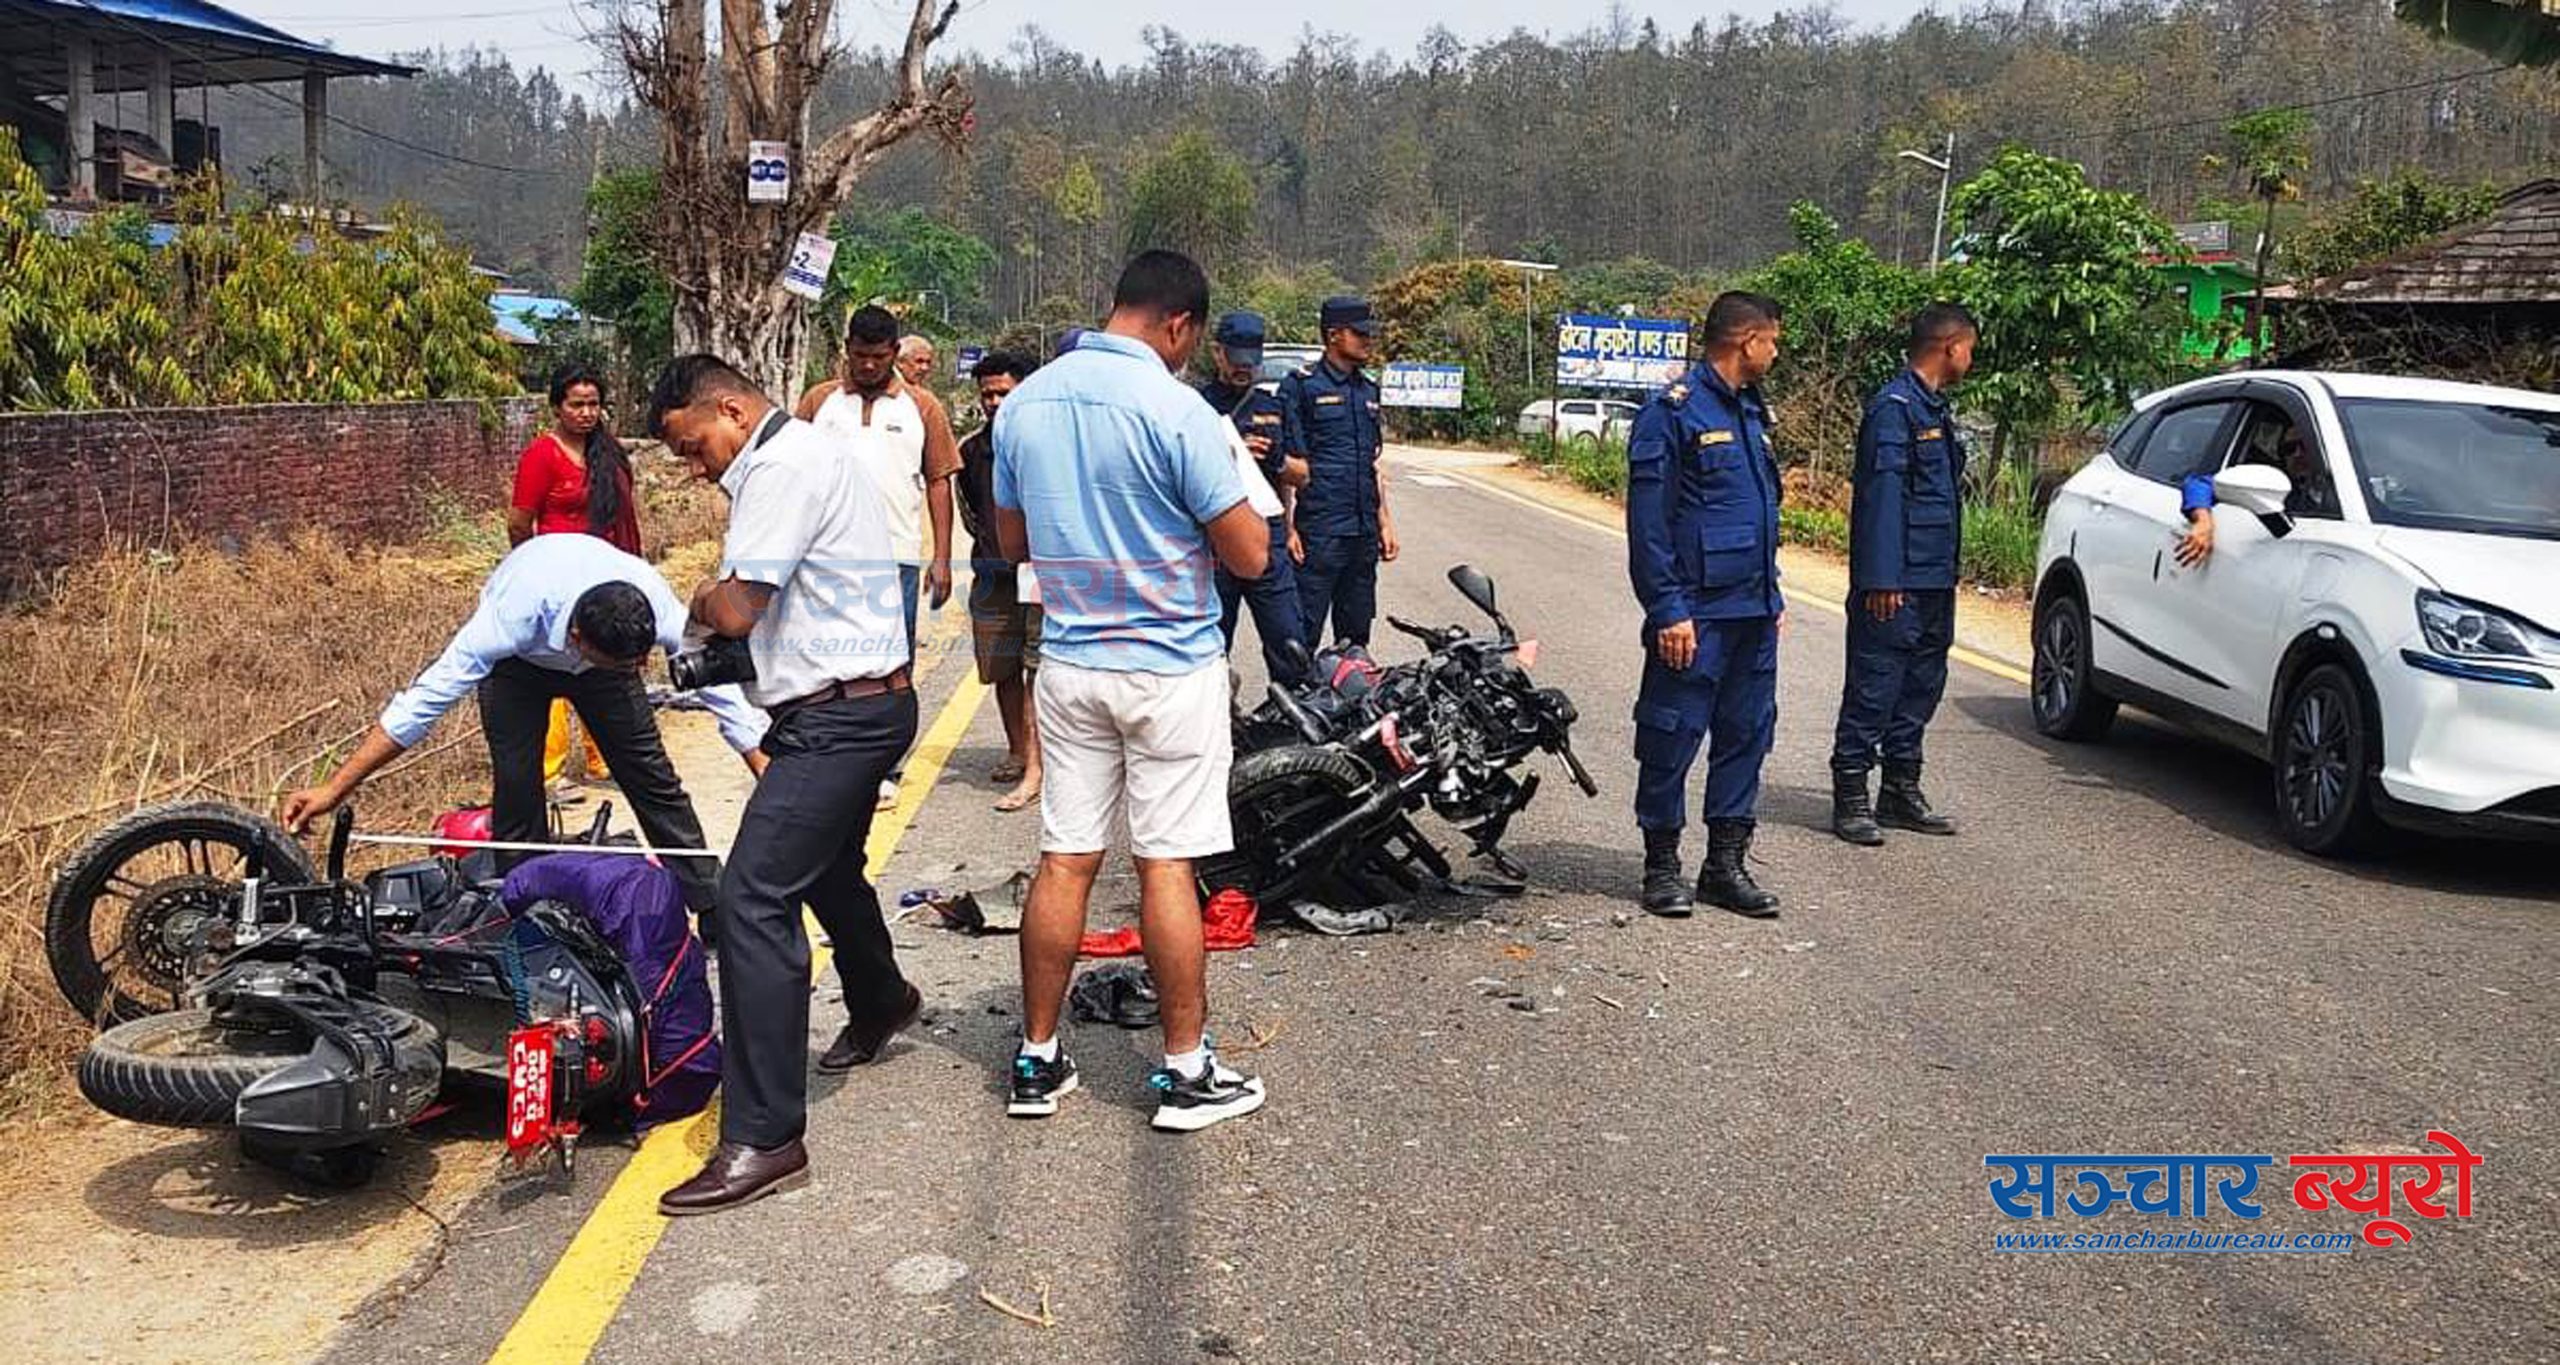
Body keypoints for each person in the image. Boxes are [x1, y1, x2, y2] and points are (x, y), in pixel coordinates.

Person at [992, 250, 1275, 1133]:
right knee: (1166, 865)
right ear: (1179, 325)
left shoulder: (1024, 404)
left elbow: (1012, 542)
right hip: (1168, 668)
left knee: (1065, 858)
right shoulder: (1179, 411)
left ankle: (1037, 1058)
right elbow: (1250, 555)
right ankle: (1185, 1072)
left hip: (1072, 664)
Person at [649, 354, 919, 1216]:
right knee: (825, 866)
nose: (695, 467)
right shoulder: (806, 453)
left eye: (693, 446)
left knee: (752, 898)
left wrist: (701, 595)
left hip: (841, 721)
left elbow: (737, 608)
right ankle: (882, 997)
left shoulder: (779, 465)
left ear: (730, 410)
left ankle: (765, 1136)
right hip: (853, 708)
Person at [277, 535, 767, 930]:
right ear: (577, 640)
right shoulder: (508, 620)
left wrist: (768, 773)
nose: (641, 670)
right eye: (628, 663)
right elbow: (421, 705)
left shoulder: (652, 607)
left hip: (604, 668)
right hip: (517, 669)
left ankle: (711, 904)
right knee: (517, 786)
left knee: (651, 778)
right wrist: (334, 789)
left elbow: (720, 691)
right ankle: (526, 911)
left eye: (639, 662)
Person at [1623, 291, 1788, 920]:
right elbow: (1649, 527)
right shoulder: (1672, 412)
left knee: (1747, 735)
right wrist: (1667, 609)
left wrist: (1772, 593)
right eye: (1772, 341)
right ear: (1747, 341)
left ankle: (1724, 865)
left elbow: (1760, 511)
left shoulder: (1751, 410)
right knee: (1671, 734)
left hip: (1753, 611)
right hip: (1696, 611)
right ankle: (1662, 864)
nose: (1775, 353)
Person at [797, 308, 960, 810]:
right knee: (828, 656)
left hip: (895, 556)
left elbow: (939, 481)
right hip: (825, 557)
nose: (868, 365)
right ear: (847, 349)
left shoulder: (922, 406)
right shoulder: (819, 402)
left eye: (879, 357)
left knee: (892, 662)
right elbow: (792, 470)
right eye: (860, 355)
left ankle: (885, 764)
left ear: (894, 354)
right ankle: (830, 757)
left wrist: (942, 557)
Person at [1830, 304, 1978, 846]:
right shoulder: (1893, 409)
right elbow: (1881, 500)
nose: (1970, 359)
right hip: (1897, 581)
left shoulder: (1934, 408)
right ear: (1950, 348)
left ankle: (1899, 789)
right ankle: (1851, 794)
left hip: (1934, 577)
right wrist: (1881, 579)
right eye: (1969, 349)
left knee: (1921, 686)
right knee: (1875, 686)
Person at [508, 364, 642, 791]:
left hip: (603, 579)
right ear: (557, 408)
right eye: (576, 404)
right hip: (554, 582)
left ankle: (604, 762)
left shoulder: (609, 454)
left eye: (593, 404)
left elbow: (623, 517)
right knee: (553, 665)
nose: (586, 413)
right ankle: (550, 772)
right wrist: (531, 571)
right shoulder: (542, 455)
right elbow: (519, 522)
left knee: (602, 666)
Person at [1278, 296, 1399, 649]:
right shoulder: (1301, 387)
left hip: (1362, 535)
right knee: (1302, 636)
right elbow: (1285, 466)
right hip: (1319, 533)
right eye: (1359, 333)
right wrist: (1287, 529)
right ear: (1333, 335)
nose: (1368, 340)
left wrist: (1385, 522)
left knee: (1356, 638)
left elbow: (1372, 464)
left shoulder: (1369, 390)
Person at [1198, 310, 1311, 685]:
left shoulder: (1273, 405)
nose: (1244, 368)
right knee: (1211, 648)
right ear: (1218, 353)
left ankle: (1290, 713)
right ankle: (1216, 714)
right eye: (1236, 359)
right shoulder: (1195, 405)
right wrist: (1227, 453)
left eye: (1251, 360)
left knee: (1289, 642)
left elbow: (1302, 474)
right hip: (1213, 539)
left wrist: (1277, 459)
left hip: (1268, 537)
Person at [956, 350, 1046, 812]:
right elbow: (970, 513)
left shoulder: (1043, 444)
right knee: (1000, 666)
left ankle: (1038, 762)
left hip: (1037, 572)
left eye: (1003, 393)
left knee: (1037, 668)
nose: (993, 402)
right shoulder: (972, 450)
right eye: (987, 394)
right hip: (992, 573)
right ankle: (1017, 750)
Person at [2173, 418, 2328, 566]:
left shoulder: (2338, 482)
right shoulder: (2272, 483)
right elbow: (2199, 483)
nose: (2297, 454)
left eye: (2305, 447)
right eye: (2289, 448)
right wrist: (2203, 520)